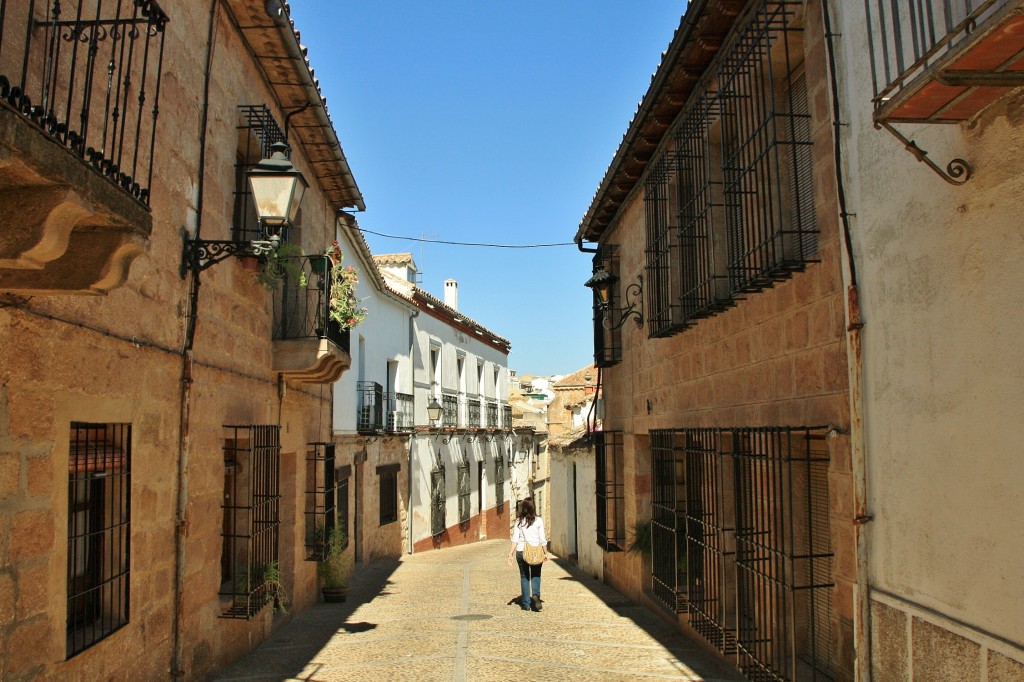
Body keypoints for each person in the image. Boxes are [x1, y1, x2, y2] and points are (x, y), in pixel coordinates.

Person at [506, 497, 547, 612]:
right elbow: (543, 539)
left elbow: (515, 539)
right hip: (536, 552)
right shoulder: (539, 521)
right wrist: (545, 552)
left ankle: (526, 604)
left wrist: (510, 554)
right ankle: (536, 595)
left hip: (521, 551)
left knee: (524, 577)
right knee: (536, 575)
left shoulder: (519, 522)